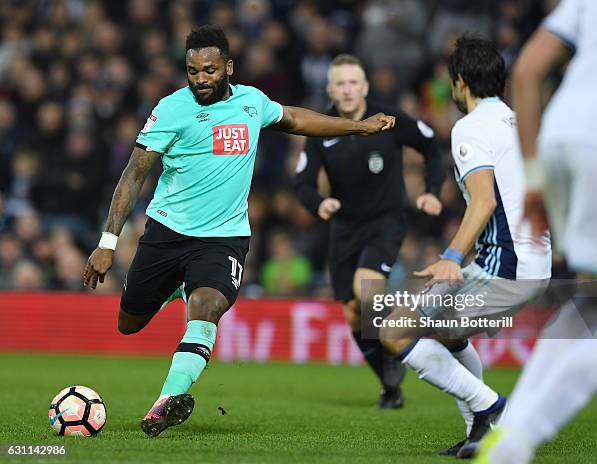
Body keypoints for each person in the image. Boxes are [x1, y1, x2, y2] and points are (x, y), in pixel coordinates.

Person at [82, 25, 395, 437]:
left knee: (208, 307)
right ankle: (179, 286)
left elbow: (298, 119)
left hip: (224, 237)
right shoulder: (171, 109)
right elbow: (133, 173)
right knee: (129, 322)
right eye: (192, 71)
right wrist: (108, 243)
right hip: (168, 232)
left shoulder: (252, 103)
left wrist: (360, 127)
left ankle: (163, 404)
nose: (201, 79)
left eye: (209, 70)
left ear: (228, 67)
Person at [377, 36, 551, 458]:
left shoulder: (471, 127)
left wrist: (451, 257)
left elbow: (486, 199)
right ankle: (480, 426)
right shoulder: (515, 121)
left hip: (508, 267)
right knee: (442, 332)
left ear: (459, 81)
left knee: (396, 332)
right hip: (521, 261)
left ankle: (491, 409)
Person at [475, 1, 597, 462]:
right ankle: (515, 442)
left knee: (594, 304)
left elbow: (529, 70)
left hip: (560, 137)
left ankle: (510, 427)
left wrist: (535, 176)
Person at [293, 53, 445, 409]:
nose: (346, 90)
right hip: (345, 227)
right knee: (351, 311)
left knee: (366, 289)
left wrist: (432, 191)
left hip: (386, 220)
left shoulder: (387, 119)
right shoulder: (321, 127)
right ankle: (390, 383)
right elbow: (302, 182)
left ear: (364, 86)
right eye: (339, 84)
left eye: (352, 83)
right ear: (330, 89)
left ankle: (401, 333)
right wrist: (319, 203)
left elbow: (430, 146)